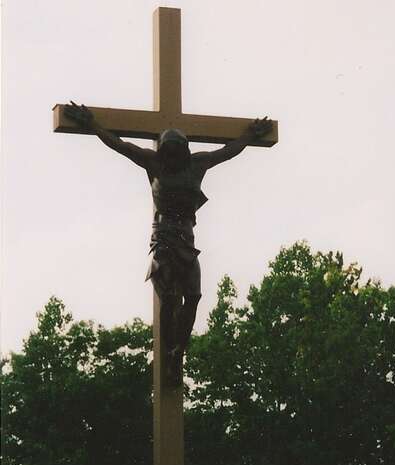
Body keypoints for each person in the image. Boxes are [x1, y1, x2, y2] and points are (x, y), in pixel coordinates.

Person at [64, 102, 272, 385]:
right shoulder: (154, 163)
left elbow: (227, 152)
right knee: (170, 295)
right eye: (168, 151)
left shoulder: (198, 164)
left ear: (184, 150)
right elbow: (121, 145)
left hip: (187, 238)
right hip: (162, 236)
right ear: (163, 151)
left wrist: (249, 136)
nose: (172, 156)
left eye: (177, 151)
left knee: (195, 296)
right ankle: (168, 352)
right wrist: (93, 125)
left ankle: (177, 351)